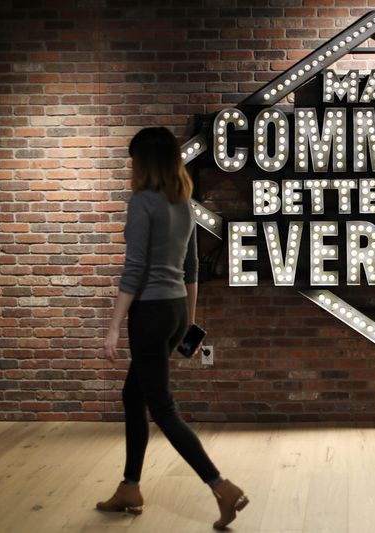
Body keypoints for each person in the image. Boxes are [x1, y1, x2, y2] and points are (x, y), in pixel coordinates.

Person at [97, 127, 248, 530]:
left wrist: (113, 326)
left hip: (149, 313)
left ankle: (222, 486)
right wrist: (190, 323)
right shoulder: (184, 203)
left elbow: (134, 270)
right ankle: (130, 486)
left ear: (144, 163)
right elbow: (192, 268)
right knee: (133, 396)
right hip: (176, 309)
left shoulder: (142, 203)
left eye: (133, 160)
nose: (131, 167)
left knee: (161, 408)